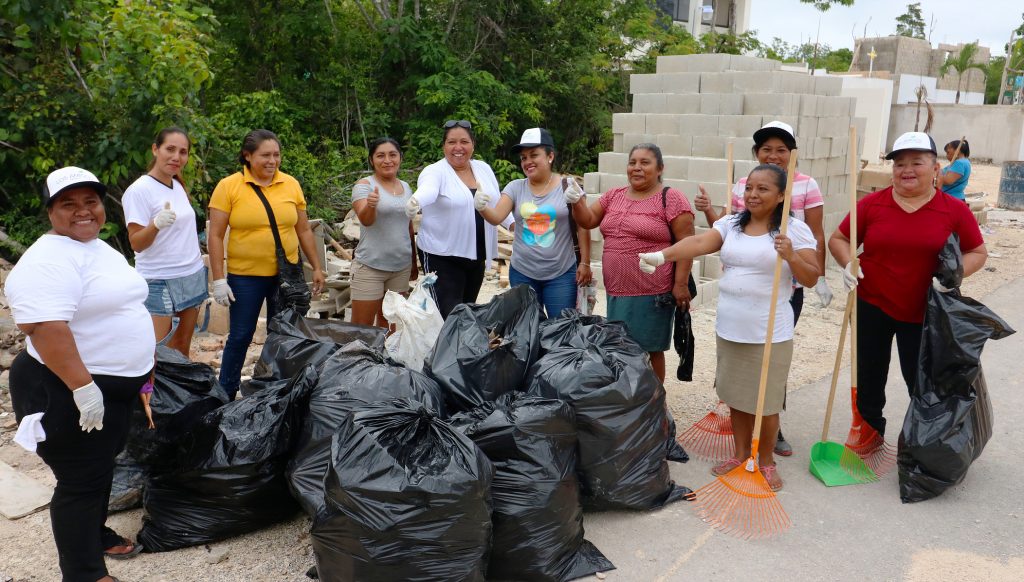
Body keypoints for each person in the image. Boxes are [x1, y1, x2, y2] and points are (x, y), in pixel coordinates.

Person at [5, 166, 155, 581]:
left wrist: (143, 377)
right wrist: (84, 389)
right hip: (64, 389)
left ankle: (95, 533)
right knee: (80, 481)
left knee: (100, 466)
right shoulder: (46, 260)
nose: (83, 211)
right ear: (50, 211)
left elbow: (126, 310)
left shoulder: (98, 247)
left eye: (90, 201)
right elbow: (45, 327)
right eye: (68, 204)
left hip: (111, 387)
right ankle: (85, 572)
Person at [639, 164, 820, 491]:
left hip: (770, 332)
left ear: (781, 196)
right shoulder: (730, 225)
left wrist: (791, 256)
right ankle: (739, 455)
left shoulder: (794, 230)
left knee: (766, 403)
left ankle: (765, 461)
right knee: (736, 397)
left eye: (763, 189)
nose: (753, 194)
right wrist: (661, 256)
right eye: (750, 187)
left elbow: (811, 276)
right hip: (731, 327)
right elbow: (697, 244)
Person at [828, 132, 987, 453]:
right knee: (868, 373)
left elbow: (977, 252)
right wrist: (848, 264)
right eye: (900, 164)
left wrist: (952, 276)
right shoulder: (872, 204)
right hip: (871, 304)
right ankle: (868, 432)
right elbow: (839, 239)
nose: (906, 170)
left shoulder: (952, 210)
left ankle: (926, 439)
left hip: (927, 310)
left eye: (917, 162)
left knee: (923, 379)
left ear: (936, 168)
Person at [693, 120, 827, 456]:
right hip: (742, 289)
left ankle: (770, 436)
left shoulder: (806, 185)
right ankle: (743, 448)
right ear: (756, 153)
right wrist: (710, 211)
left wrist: (815, 274)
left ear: (791, 154)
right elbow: (727, 225)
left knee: (769, 365)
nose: (773, 155)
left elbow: (815, 234)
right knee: (744, 373)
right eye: (766, 149)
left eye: (781, 150)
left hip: (785, 285)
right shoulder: (744, 184)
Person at [207, 129, 326, 399]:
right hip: (245, 276)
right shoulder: (229, 186)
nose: (272, 161)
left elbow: (304, 230)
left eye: (276, 155)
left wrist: (317, 267)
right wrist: (219, 279)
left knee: (283, 334)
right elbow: (215, 235)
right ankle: (225, 391)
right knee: (240, 335)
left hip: (286, 276)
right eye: (265, 155)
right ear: (247, 157)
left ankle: (275, 390)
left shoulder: (290, 184)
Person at [570, 143, 695, 383]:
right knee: (621, 347)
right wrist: (577, 202)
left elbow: (687, 243)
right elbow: (587, 221)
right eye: (632, 162)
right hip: (618, 291)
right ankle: (631, 401)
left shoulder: (671, 198)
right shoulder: (614, 195)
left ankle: (655, 402)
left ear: (660, 168)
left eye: (645, 162)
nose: (637, 168)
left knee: (650, 349)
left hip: (652, 292)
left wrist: (680, 284)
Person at [474, 127, 592, 317]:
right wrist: (482, 207)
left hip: (561, 274)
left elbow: (583, 226)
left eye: (534, 155)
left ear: (550, 156)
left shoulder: (568, 186)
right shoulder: (515, 187)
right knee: (526, 330)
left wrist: (585, 263)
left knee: (560, 329)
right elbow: (496, 217)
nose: (527, 161)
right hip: (522, 272)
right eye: (523, 157)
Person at [404, 120, 504, 318]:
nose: (458, 148)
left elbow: (499, 202)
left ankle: (460, 348)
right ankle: (444, 348)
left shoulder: (483, 168)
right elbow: (428, 190)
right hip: (442, 255)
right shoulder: (435, 171)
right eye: (452, 142)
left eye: (464, 142)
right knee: (448, 313)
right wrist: (416, 201)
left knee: (468, 310)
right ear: (444, 146)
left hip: (476, 254)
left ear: (473, 145)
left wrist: (516, 225)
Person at [122, 127, 207, 356]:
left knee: (182, 349)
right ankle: (152, 393)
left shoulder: (177, 184)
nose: (176, 157)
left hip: (191, 275)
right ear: (155, 149)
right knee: (158, 354)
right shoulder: (139, 190)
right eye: (170, 149)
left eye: (183, 152)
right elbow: (136, 243)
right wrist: (155, 225)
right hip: (159, 281)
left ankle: (180, 392)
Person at [349, 137, 418, 327]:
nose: (387, 160)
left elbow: (408, 225)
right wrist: (371, 205)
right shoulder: (364, 185)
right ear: (372, 160)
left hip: (400, 268)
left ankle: (385, 358)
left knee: (391, 327)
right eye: (381, 156)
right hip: (370, 267)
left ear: (400, 158)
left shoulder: (406, 187)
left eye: (392, 155)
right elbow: (366, 220)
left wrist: (413, 262)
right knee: (361, 329)